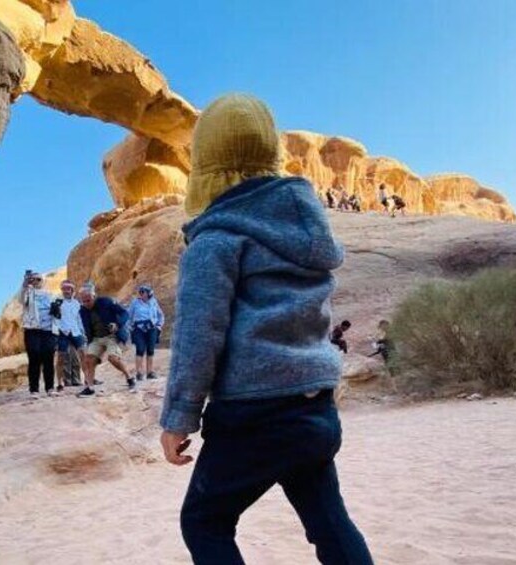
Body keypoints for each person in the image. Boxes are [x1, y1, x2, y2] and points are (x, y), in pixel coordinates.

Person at [159, 93, 373, 564]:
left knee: (205, 522)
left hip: (252, 413)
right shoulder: (307, 232)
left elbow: (198, 337)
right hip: (315, 406)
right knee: (328, 521)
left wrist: (179, 417)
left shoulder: (214, 240)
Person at [76, 284, 134, 397]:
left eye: (88, 300)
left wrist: (117, 324)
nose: (86, 303)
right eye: (83, 301)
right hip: (96, 338)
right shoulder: (82, 311)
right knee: (88, 360)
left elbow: (124, 313)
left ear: (94, 296)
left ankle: (129, 377)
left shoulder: (106, 302)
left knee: (113, 358)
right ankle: (90, 387)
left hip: (112, 336)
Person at [19, 270, 60, 398]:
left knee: (48, 358)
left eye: (38, 279)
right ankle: (34, 390)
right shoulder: (28, 293)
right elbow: (21, 300)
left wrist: (56, 311)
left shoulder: (50, 294)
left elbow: (57, 312)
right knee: (34, 357)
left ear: (43, 281)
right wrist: (25, 284)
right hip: (32, 329)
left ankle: (50, 388)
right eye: (33, 279)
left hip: (49, 330)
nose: (36, 281)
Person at [127, 284, 165, 381]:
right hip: (139, 329)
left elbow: (160, 315)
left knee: (150, 350)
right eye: (141, 292)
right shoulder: (135, 303)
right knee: (140, 349)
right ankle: (139, 373)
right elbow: (128, 315)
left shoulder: (153, 302)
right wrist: (130, 327)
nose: (141, 294)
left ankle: (150, 372)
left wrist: (159, 326)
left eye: (143, 292)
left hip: (152, 328)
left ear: (148, 293)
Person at [55, 279, 85, 389]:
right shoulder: (57, 302)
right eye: (64, 289)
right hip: (63, 332)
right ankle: (60, 382)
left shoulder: (77, 303)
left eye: (68, 289)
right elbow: (54, 317)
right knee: (61, 357)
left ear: (72, 290)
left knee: (83, 354)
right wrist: (57, 331)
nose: (66, 291)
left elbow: (79, 319)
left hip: (76, 332)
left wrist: (83, 332)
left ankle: (87, 378)